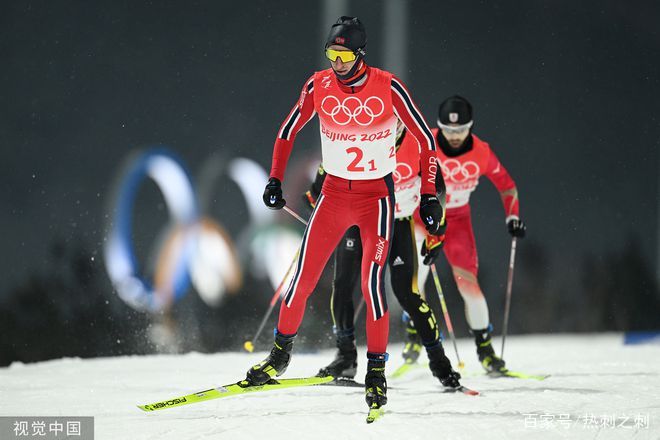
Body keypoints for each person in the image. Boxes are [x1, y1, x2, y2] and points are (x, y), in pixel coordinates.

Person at [244, 16, 445, 411]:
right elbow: (287, 131)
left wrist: (429, 194)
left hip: (377, 199)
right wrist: (274, 179)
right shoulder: (318, 85)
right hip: (334, 195)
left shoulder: (388, 86)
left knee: (372, 287)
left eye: (344, 55)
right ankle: (279, 357)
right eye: (331, 54)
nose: (337, 62)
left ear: (360, 54)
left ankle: (375, 371)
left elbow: (424, 138)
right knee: (302, 278)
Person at [304, 120, 462, 389]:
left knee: (406, 292)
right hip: (360, 221)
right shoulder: (363, 135)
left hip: (398, 222)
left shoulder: (419, 143)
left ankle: (439, 363)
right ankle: (346, 357)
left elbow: (438, 189)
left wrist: (438, 230)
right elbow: (330, 164)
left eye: (393, 122)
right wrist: (317, 190)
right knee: (343, 284)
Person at [411, 95, 526, 374]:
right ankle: (414, 336)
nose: (454, 136)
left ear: (470, 127)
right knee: (415, 280)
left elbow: (507, 186)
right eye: (448, 130)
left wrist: (513, 217)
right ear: (439, 127)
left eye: (460, 130)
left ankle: (485, 350)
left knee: (469, 286)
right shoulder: (424, 142)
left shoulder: (482, 152)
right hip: (424, 218)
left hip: (459, 220)